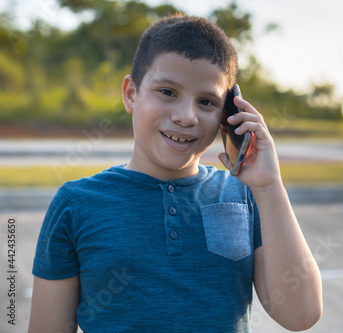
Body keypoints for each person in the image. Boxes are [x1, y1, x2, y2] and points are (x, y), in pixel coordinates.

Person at [28, 14, 322, 332]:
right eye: (167, 92)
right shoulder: (76, 203)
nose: (185, 116)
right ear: (131, 94)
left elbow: (301, 314)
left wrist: (269, 187)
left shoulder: (245, 195)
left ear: (228, 116)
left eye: (207, 101)